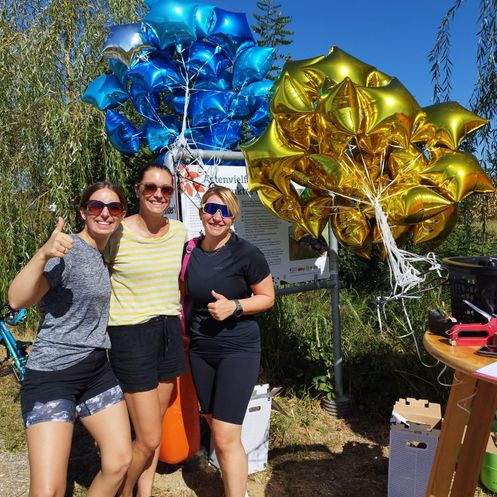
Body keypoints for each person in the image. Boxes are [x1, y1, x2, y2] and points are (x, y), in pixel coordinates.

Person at [8, 181, 131, 497]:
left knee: (119, 462)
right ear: (83, 211)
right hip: (53, 375)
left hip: (95, 371)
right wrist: (41, 255)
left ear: (121, 215)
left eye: (113, 207)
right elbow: (18, 299)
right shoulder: (68, 251)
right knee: (48, 490)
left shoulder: (101, 253)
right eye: (96, 206)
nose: (104, 213)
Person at [184, 185, 275, 497]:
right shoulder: (190, 251)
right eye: (211, 209)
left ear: (233, 216)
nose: (217, 217)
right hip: (200, 350)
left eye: (224, 211)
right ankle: (235, 486)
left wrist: (234, 306)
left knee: (224, 435)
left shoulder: (247, 254)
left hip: (238, 350)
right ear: (201, 212)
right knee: (214, 423)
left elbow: (267, 298)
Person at [105, 162, 187, 497]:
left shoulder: (179, 232)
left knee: (152, 427)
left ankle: (146, 491)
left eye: (166, 189)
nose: (158, 194)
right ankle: (123, 492)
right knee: (150, 435)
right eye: (150, 187)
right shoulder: (115, 232)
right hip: (130, 334)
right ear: (138, 190)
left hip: (168, 331)